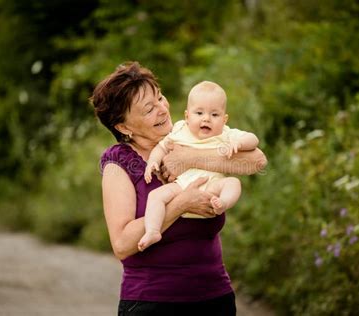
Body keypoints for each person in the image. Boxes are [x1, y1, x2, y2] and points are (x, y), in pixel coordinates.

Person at [91, 61, 267, 316]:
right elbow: (122, 244)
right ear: (124, 126)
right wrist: (181, 204)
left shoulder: (190, 134)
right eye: (149, 109)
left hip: (215, 296)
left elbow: (256, 160)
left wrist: (191, 158)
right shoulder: (119, 163)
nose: (162, 110)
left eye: (160, 98)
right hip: (152, 303)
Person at [138, 81, 259, 251]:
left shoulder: (226, 133)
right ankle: (153, 230)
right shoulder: (180, 130)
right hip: (181, 187)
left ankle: (222, 203)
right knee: (156, 196)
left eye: (214, 115)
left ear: (224, 120)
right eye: (199, 113)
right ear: (187, 116)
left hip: (212, 187)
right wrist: (153, 161)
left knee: (233, 183)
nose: (206, 118)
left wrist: (239, 142)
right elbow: (161, 147)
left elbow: (254, 140)